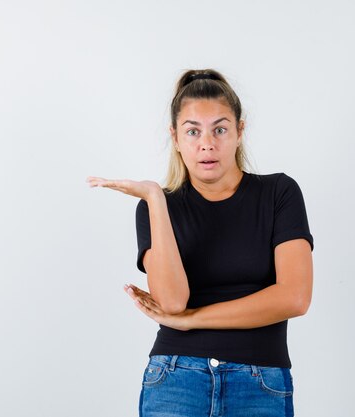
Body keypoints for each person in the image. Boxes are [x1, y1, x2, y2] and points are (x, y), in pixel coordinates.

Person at [86, 69, 314, 417]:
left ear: (239, 132)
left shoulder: (278, 193)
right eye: (193, 131)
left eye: (219, 129)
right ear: (175, 137)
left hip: (259, 381)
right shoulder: (155, 208)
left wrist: (193, 321)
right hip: (176, 378)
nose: (206, 143)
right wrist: (155, 198)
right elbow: (173, 303)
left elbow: (294, 298)